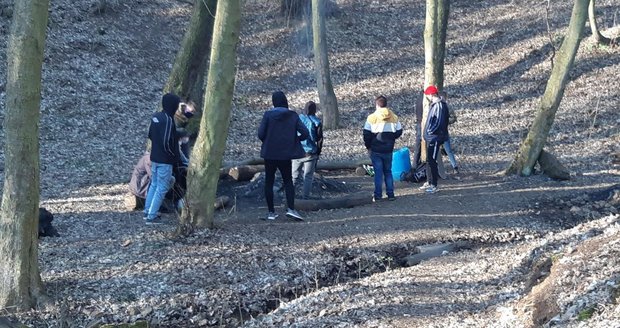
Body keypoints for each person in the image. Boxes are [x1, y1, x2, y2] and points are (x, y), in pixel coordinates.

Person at [258, 91, 309, 221]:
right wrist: (294, 140)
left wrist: (268, 140)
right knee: (288, 181)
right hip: (286, 154)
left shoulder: (268, 115)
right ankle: (291, 209)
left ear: (274, 102)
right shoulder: (292, 115)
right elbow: (305, 132)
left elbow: (260, 134)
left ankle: (271, 212)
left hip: (270, 153)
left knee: (269, 181)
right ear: (285, 101)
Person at [144, 93, 181, 224]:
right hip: (165, 160)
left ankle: (147, 211)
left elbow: (150, 135)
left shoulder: (156, 117)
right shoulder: (168, 120)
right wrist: (172, 155)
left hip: (155, 158)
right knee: (162, 187)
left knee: (154, 184)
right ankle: (151, 216)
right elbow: (167, 141)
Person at [363, 95, 403, 202]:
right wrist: (391, 138)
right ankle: (390, 194)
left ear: (377, 105)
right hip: (388, 148)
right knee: (388, 172)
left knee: (378, 173)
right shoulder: (394, 117)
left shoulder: (372, 118)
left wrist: (368, 146)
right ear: (386, 104)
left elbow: (366, 133)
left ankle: (378, 195)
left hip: (375, 149)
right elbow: (399, 131)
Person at [292, 101, 323, 199]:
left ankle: (290, 196)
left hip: (297, 151)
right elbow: (319, 139)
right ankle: (305, 197)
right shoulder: (317, 122)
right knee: (308, 176)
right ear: (314, 110)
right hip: (310, 152)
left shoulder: (298, 119)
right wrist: (318, 152)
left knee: (293, 175)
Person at [421, 85, 450, 193]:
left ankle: (434, 184)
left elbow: (438, 122)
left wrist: (430, 132)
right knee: (429, 160)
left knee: (432, 161)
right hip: (431, 137)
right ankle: (429, 181)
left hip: (435, 137)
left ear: (431, 95)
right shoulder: (435, 105)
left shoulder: (439, 106)